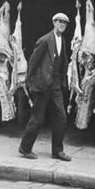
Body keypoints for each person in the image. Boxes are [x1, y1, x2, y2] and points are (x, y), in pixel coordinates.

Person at [18, 13, 72, 161]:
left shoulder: (63, 40)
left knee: (61, 117)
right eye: (59, 22)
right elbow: (33, 62)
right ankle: (25, 148)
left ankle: (57, 151)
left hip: (55, 85)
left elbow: (63, 62)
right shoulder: (44, 40)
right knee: (37, 118)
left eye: (64, 23)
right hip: (42, 85)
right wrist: (30, 83)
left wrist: (63, 82)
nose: (62, 24)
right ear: (54, 23)